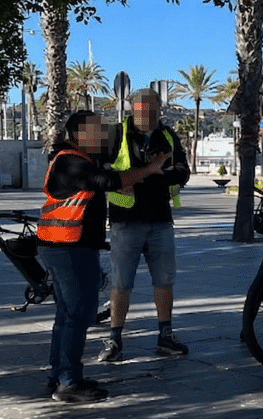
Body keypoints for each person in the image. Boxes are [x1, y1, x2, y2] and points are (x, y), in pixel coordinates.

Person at [38, 111, 167, 403]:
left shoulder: (75, 160)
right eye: (95, 129)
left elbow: (103, 181)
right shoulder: (70, 160)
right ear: (78, 134)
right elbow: (104, 180)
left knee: (66, 316)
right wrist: (151, 168)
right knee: (78, 315)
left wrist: (120, 180)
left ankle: (58, 374)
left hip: (64, 246)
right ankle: (68, 382)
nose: (102, 134)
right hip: (69, 248)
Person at [98, 88, 191, 362]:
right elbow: (101, 169)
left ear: (160, 109)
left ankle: (165, 335)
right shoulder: (116, 135)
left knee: (164, 280)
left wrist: (154, 176)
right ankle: (114, 338)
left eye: (152, 110)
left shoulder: (168, 136)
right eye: (141, 110)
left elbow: (183, 171)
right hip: (126, 220)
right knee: (121, 282)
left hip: (160, 219)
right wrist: (129, 178)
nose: (147, 115)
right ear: (131, 109)